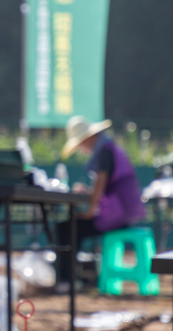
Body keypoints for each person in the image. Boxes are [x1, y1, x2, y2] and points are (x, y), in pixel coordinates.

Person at [54, 115, 145, 285]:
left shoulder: (105, 151)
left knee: (66, 228)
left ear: (87, 138)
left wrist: (89, 211)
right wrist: (90, 193)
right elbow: (107, 187)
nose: (81, 148)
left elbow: (102, 180)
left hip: (117, 218)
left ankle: (67, 279)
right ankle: (72, 277)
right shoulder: (109, 148)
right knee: (70, 227)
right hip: (123, 214)